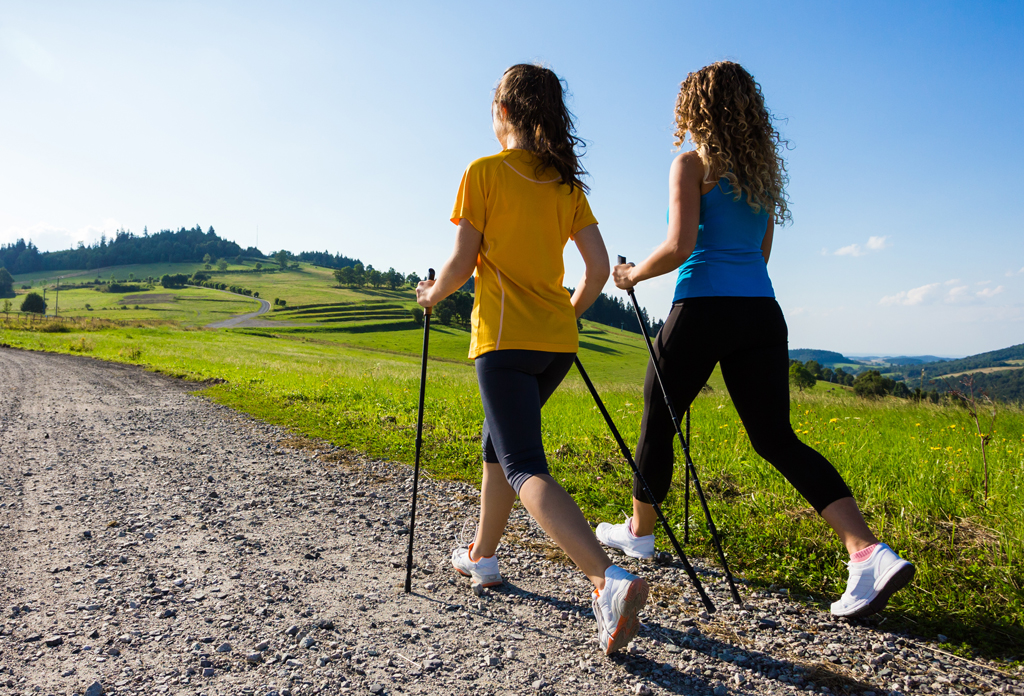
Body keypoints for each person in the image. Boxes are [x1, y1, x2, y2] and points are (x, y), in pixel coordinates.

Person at [595, 61, 914, 619]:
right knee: (776, 438)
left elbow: (679, 244)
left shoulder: (690, 164)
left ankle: (640, 535)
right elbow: (761, 252)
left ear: (695, 109)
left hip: (702, 307)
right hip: (761, 312)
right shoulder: (760, 174)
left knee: (656, 417)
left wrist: (632, 276)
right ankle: (867, 551)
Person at [416, 64, 649, 654]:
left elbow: (463, 262)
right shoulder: (568, 186)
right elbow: (597, 270)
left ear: (506, 111)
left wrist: (430, 294)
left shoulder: (482, 172)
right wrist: (568, 313)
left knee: (522, 465)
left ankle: (607, 580)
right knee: (498, 445)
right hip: (556, 343)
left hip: (502, 341)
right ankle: (483, 557)